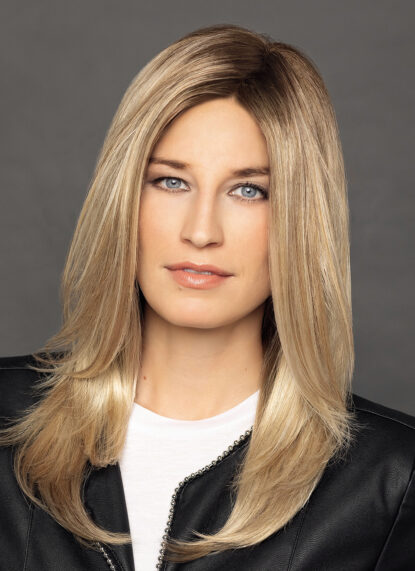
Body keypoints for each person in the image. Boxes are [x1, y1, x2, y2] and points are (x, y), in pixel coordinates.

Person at [0, 23, 414, 571]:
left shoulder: (391, 482)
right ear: (124, 199)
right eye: (171, 181)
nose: (201, 231)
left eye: (249, 190)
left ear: (300, 220)